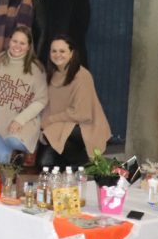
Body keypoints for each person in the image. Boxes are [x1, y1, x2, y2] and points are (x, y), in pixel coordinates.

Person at [38, 35, 111, 169]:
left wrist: (51, 120)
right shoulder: (51, 74)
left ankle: (85, 162)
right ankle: (79, 163)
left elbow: (81, 113)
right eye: (54, 51)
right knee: (45, 164)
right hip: (61, 126)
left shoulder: (82, 76)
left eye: (62, 51)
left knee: (52, 135)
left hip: (85, 127)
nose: (57, 55)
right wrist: (42, 123)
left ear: (71, 53)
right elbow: (47, 106)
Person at [0, 26, 48, 164]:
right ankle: (11, 154)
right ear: (9, 41)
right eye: (15, 41)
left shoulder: (36, 68)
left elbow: (41, 100)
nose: (17, 46)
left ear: (29, 46)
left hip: (23, 121)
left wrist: (20, 120)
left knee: (14, 141)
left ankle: (28, 148)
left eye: (22, 43)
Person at [42, 0, 91, 66]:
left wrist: (65, 48)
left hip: (72, 51)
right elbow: (45, 27)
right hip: (51, 53)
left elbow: (82, 27)